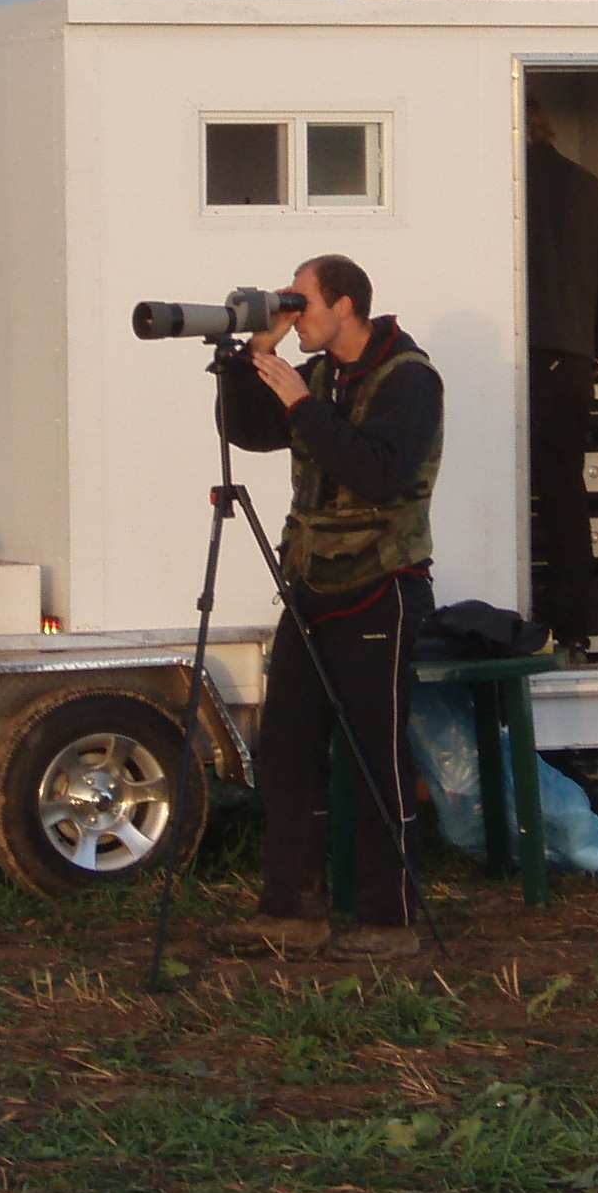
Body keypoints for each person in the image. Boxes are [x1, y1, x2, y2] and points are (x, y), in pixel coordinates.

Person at [215, 254, 445, 957]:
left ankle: (388, 920)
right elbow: (249, 431)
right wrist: (257, 354)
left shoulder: (409, 378)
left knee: (374, 754)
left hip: (382, 584)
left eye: (303, 302)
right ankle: (291, 909)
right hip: (312, 583)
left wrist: (303, 404)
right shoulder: (320, 373)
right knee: (286, 748)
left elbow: (377, 471)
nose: (295, 314)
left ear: (345, 305)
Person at [524, 96, 598, 656]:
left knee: (503, 487)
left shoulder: (502, 182)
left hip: (514, 360)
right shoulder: (590, 189)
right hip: (568, 364)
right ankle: (571, 629)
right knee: (563, 493)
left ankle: (509, 620)